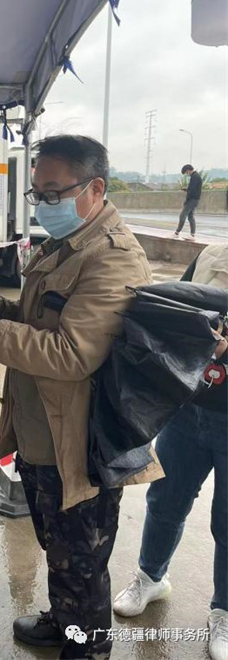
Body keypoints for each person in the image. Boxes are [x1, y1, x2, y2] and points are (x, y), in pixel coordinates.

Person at [0, 135, 164, 660]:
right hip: (41, 432)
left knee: (82, 562)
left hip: (78, 445)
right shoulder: (62, 245)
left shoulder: (112, 259)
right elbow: (42, 320)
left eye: (53, 192)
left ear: (95, 188)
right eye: (37, 194)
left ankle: (86, 648)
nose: (44, 204)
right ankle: (64, 620)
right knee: (59, 549)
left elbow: (73, 354)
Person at [114, 243, 228, 660]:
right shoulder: (213, 255)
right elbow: (174, 309)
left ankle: (224, 610)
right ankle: (151, 577)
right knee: (165, 500)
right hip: (189, 408)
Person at [174, 163, 202, 241]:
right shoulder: (196, 176)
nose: (187, 174)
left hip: (192, 200)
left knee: (182, 215)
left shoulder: (194, 177)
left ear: (188, 170)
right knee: (190, 216)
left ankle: (176, 233)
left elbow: (192, 191)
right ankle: (192, 235)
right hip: (195, 199)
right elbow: (193, 189)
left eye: (186, 172)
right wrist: (187, 189)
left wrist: (187, 201)